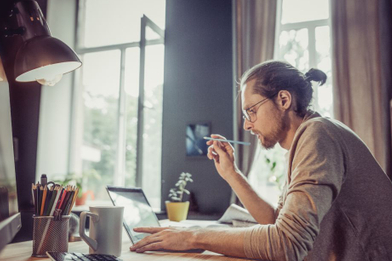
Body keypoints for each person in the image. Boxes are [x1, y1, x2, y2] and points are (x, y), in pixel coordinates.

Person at [129, 60, 392, 260]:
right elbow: (276, 222)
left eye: (251, 111)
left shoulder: (318, 135)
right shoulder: (308, 139)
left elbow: (288, 243)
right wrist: (231, 173)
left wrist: (193, 236)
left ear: (284, 99)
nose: (246, 124)